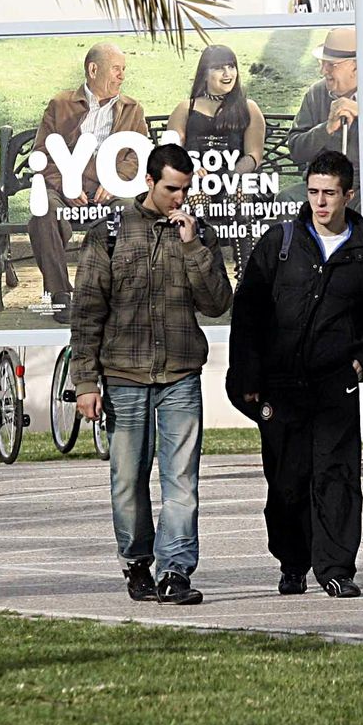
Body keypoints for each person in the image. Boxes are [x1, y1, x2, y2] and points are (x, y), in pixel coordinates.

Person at [229, 150, 363, 598]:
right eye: (313, 193)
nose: (320, 203)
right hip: (280, 387)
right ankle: (293, 562)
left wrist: (360, 364)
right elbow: (248, 310)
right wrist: (247, 375)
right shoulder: (280, 243)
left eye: (329, 194)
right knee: (287, 484)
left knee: (336, 478)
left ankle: (335, 568)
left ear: (349, 194)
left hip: (334, 387)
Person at [68, 143, 232, 606]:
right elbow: (86, 314)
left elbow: (219, 304)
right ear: (149, 182)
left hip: (180, 374)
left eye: (185, 189)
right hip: (123, 376)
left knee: (182, 480)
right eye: (171, 189)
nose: (179, 198)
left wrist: (194, 246)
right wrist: (85, 383)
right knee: (128, 480)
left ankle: (176, 570)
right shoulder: (110, 234)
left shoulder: (196, 234)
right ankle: (137, 564)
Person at [28, 43, 148, 321]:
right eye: (116, 69)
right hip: (68, 187)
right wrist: (66, 183)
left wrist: (117, 180)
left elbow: (138, 155)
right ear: (93, 70)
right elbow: (44, 153)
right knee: (42, 208)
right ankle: (60, 294)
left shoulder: (132, 109)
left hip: (111, 189)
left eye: (123, 70)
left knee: (131, 210)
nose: (122, 76)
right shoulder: (61, 105)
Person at [167, 44, 266, 279]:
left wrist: (228, 177)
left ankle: (246, 277)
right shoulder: (186, 108)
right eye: (219, 68)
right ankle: (201, 276)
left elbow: (254, 155)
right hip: (197, 184)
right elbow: (170, 150)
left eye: (231, 67)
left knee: (239, 198)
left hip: (236, 180)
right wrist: (189, 168)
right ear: (205, 72)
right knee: (193, 201)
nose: (227, 74)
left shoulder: (248, 108)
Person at [287, 28, 359, 204]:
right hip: (321, 185)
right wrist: (325, 129)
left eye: (331, 65)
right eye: (322, 63)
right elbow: (296, 150)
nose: (323, 71)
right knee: (288, 199)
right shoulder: (316, 94)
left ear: (355, 66)